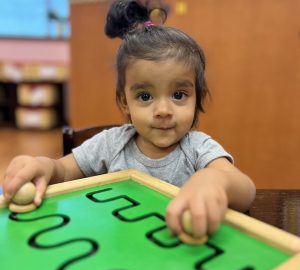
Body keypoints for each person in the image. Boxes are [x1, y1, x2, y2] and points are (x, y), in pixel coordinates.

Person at [1, 0, 255, 239]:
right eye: (145, 96)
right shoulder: (112, 144)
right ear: (125, 102)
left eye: (179, 95)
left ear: (197, 98)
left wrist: (214, 180)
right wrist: (44, 166)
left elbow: (246, 191)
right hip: (120, 253)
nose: (163, 110)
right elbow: (64, 171)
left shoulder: (198, 148)